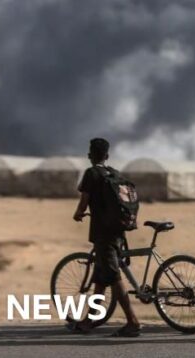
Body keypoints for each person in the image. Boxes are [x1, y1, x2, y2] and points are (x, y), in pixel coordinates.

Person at [71, 138, 140, 337]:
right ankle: (88, 321)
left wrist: (78, 214)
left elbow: (84, 201)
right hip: (118, 231)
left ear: (90, 155)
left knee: (113, 276)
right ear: (107, 156)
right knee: (101, 278)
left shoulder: (91, 174)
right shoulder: (115, 173)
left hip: (103, 234)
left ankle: (132, 321)